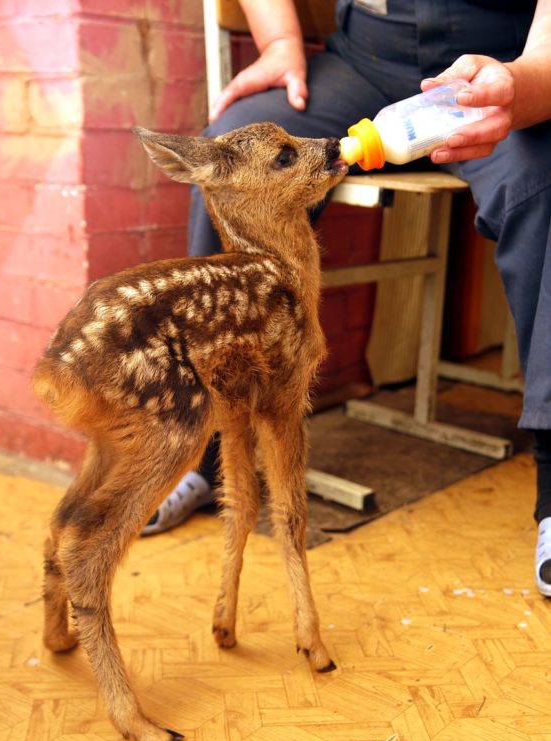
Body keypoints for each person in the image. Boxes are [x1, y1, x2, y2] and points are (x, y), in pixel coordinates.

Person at [142, 0, 551, 597]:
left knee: (541, 184)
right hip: (361, 61)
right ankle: (206, 448)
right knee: (227, 163)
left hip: (506, 61)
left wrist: (526, 83)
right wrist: (280, 40)